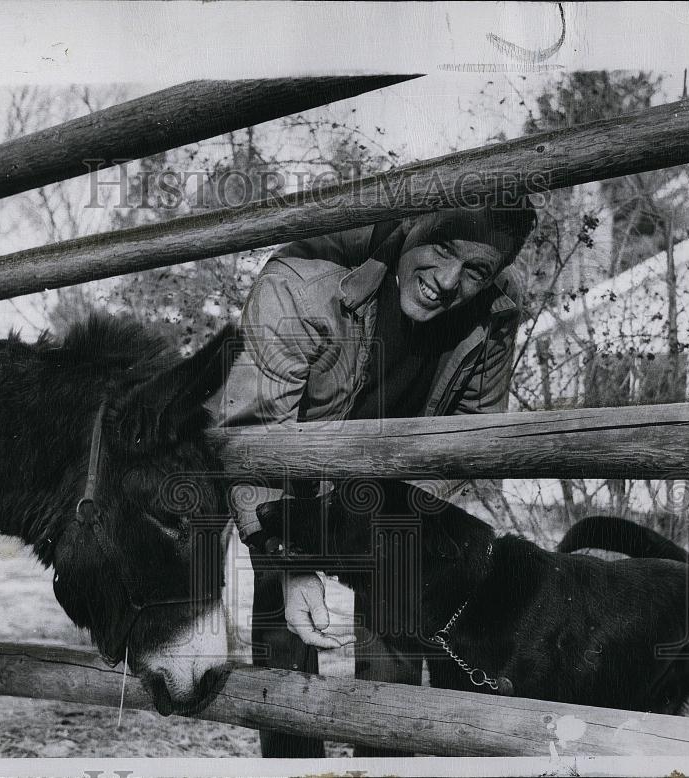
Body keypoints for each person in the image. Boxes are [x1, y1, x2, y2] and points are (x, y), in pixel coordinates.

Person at [215, 198, 537, 757]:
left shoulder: (495, 310)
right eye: (441, 249)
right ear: (412, 222)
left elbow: (470, 437)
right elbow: (252, 436)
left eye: (477, 271)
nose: (447, 281)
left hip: (397, 499)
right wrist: (289, 560)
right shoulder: (302, 283)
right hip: (291, 487)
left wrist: (406, 536)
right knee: (284, 636)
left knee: (396, 655)